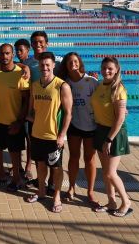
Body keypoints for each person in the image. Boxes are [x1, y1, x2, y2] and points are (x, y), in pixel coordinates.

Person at [26, 52, 72, 214]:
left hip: (54, 136)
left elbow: (68, 113)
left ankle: (57, 197)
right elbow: (31, 110)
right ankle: (41, 191)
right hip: (37, 133)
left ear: (53, 66)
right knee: (40, 165)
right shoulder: (35, 85)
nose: (44, 68)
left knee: (57, 168)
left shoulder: (62, 86)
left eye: (47, 65)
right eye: (42, 65)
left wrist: (61, 135)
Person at [91, 57, 132, 217]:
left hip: (114, 133)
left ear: (116, 70)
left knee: (110, 172)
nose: (106, 71)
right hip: (100, 130)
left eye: (110, 68)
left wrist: (109, 139)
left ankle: (126, 201)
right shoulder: (100, 85)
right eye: (104, 68)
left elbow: (120, 118)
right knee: (105, 172)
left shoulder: (118, 89)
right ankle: (112, 201)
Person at [0, 44, 30, 192]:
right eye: (2, 54)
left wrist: (19, 121)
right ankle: (0, 173)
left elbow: (26, 100)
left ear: (12, 55)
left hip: (14, 120)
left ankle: (17, 177)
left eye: (7, 53)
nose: (4, 57)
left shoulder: (21, 73)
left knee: (15, 151)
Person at [58, 52, 99, 206]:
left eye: (75, 61)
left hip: (91, 126)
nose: (73, 64)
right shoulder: (65, 84)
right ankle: (71, 188)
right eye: (70, 62)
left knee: (89, 159)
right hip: (74, 125)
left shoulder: (91, 81)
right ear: (66, 66)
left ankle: (90, 191)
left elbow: (104, 98)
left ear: (80, 62)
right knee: (74, 157)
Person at [15, 38, 37, 180]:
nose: (18, 53)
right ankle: (17, 166)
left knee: (29, 138)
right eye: (16, 50)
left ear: (28, 50)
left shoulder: (33, 64)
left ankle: (28, 166)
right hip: (18, 104)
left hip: (32, 106)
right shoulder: (21, 65)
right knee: (18, 138)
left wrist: (26, 66)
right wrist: (23, 66)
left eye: (21, 50)